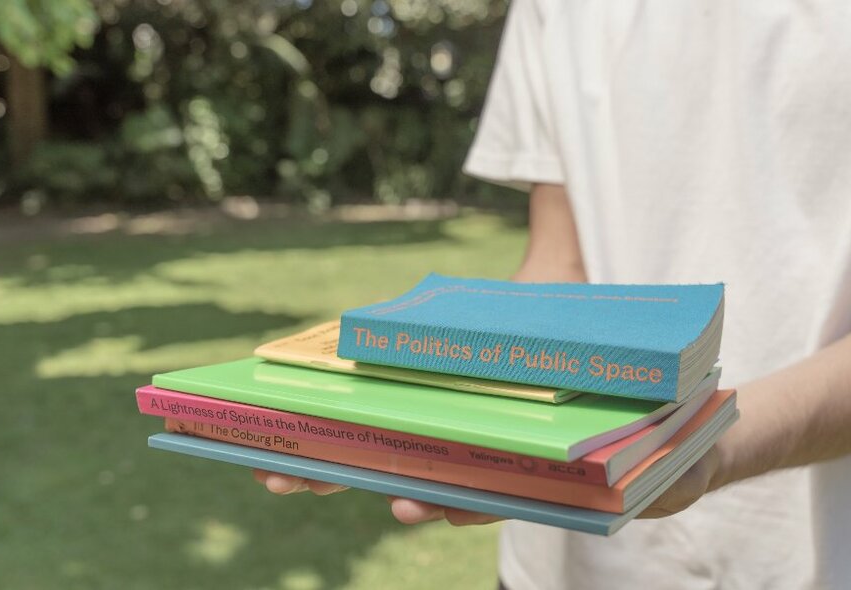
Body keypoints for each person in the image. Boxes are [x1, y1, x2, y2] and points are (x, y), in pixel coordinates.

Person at [254, 2, 851, 588]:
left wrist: (708, 446)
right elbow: (558, 263)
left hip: (801, 553)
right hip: (559, 546)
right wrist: (436, 415)